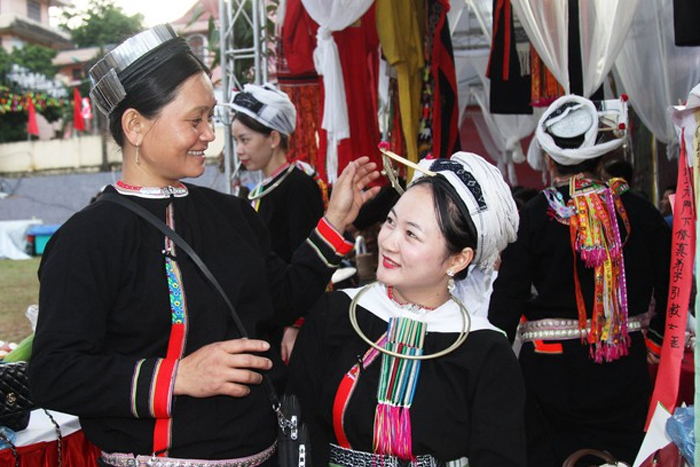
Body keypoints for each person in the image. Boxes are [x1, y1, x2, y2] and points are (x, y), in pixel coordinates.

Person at [28, 24, 379, 466]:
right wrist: (178, 376)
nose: (210, 135)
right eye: (195, 120)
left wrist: (334, 223)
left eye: (209, 118)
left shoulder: (231, 215)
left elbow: (280, 299)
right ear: (134, 125)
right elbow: (56, 373)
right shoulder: (88, 239)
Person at [287, 151, 527, 467]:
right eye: (390, 222)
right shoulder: (336, 313)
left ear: (458, 259)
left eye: (411, 234)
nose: (389, 241)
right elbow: (298, 426)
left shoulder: (484, 350)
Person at [488, 94, 671, 467]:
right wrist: (653, 342)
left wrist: (490, 359)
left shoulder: (535, 216)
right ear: (600, 157)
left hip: (551, 374)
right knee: (623, 458)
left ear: (550, 158)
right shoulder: (639, 211)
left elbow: (507, 299)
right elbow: (672, 286)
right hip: (626, 366)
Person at [231, 83, 326, 362]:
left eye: (245, 140)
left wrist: (295, 325)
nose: (239, 149)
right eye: (236, 140)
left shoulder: (298, 185)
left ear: (273, 138)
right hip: (268, 316)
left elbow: (308, 257)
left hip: (290, 322)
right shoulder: (257, 190)